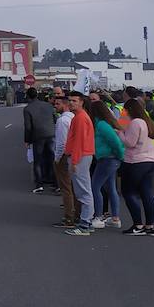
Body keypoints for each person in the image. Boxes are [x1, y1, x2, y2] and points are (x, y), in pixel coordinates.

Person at [119, 98, 154, 236]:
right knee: (146, 192)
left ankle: (137, 224)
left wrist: (119, 133)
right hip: (150, 161)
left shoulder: (136, 123)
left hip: (135, 161)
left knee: (129, 193)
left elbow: (130, 143)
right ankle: (149, 226)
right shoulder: (148, 122)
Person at [64, 91, 96, 236]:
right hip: (82, 155)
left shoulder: (80, 118)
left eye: (74, 101)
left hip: (81, 156)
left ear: (81, 102)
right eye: (70, 100)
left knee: (83, 191)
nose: (71, 103)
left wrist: (75, 161)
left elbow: (79, 142)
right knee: (83, 189)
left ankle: (85, 223)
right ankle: (86, 221)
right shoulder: (80, 117)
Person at [89, 101, 125, 229]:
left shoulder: (101, 125)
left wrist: (120, 155)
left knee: (95, 186)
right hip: (111, 159)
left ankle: (98, 216)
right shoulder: (105, 124)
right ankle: (115, 218)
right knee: (110, 188)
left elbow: (115, 142)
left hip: (107, 159)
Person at [52, 94, 78, 229]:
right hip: (74, 155)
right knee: (74, 187)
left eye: (58, 104)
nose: (55, 106)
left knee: (66, 188)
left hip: (63, 157)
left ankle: (69, 217)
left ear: (65, 105)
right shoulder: (73, 118)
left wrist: (57, 159)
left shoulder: (62, 121)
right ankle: (76, 214)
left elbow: (61, 143)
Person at [25, 89, 58, 191]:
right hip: (51, 134)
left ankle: (39, 184)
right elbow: (55, 119)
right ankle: (56, 184)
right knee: (52, 159)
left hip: (38, 136)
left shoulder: (28, 109)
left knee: (37, 161)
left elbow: (28, 127)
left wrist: (27, 140)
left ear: (28, 96)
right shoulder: (48, 105)